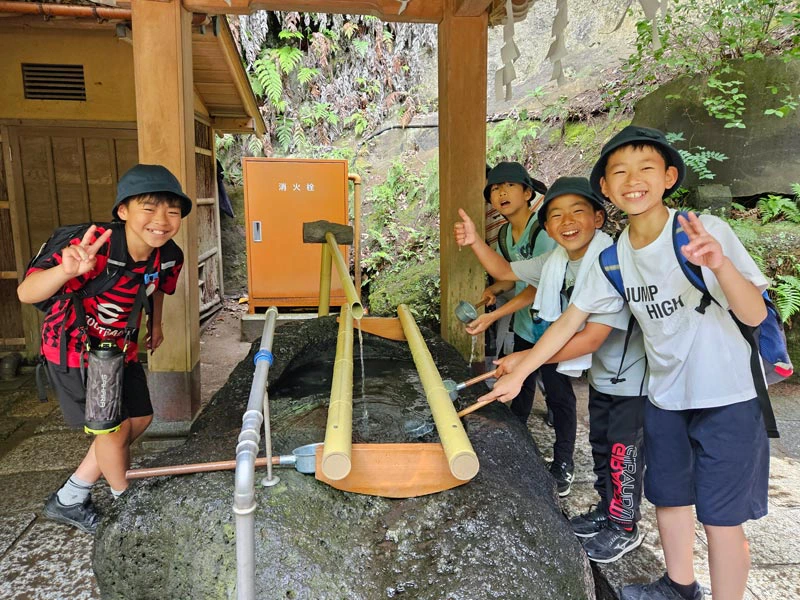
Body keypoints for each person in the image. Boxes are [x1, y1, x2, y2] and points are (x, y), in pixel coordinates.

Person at [479, 126, 769, 600]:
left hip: (728, 396)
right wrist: (525, 368)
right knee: (669, 499)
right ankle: (678, 587)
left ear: (669, 177)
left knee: (721, 518)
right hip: (665, 395)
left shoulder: (702, 231)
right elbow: (570, 320)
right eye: (620, 172)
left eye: (645, 168)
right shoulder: (613, 258)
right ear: (607, 189)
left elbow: (754, 314)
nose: (633, 180)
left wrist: (719, 264)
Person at [472, 176, 649, 563]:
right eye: (556, 215)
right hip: (604, 374)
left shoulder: (607, 261)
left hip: (631, 374)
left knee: (623, 450)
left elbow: (588, 338)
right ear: (548, 229)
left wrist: (525, 362)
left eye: (577, 211)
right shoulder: (556, 261)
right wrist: (473, 240)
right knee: (601, 443)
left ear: (598, 218)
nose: (567, 221)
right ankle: (607, 510)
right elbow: (513, 276)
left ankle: (625, 526)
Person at [17, 164, 191, 534]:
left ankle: (70, 496)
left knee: (139, 419)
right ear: (123, 211)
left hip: (119, 349)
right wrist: (66, 272)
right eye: (148, 208)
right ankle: (126, 510)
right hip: (74, 350)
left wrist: (156, 325)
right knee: (112, 430)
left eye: (173, 211)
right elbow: (26, 293)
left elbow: (158, 287)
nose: (162, 220)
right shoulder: (93, 243)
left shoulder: (168, 255)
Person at [455, 161, 579, 497]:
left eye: (509, 185)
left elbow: (538, 288)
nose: (501, 192)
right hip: (527, 325)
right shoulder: (504, 236)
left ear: (527, 192)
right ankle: (515, 441)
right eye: (495, 189)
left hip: (555, 329)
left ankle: (564, 462)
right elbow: (509, 276)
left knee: (559, 395)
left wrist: (494, 316)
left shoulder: (545, 232)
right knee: (520, 387)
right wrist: (493, 290)